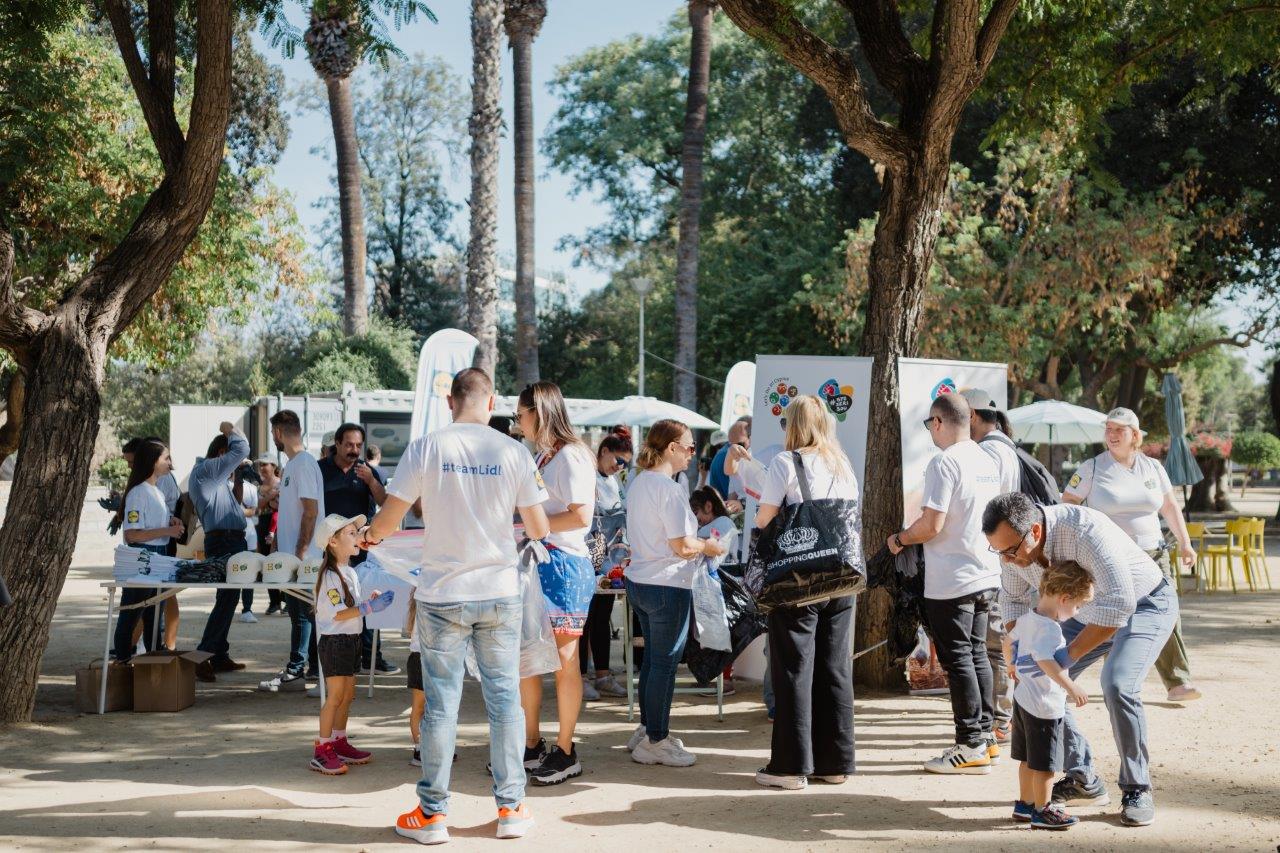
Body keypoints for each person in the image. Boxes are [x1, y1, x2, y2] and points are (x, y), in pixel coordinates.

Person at [359, 367, 549, 843]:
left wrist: (370, 537)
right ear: (492, 402)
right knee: (504, 701)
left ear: (450, 401)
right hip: (500, 590)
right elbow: (541, 527)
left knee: (441, 705)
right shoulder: (513, 451)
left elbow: (391, 515)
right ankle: (511, 809)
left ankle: (432, 815)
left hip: (443, 594)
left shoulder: (427, 446)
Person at [983, 492, 1178, 827]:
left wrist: (1063, 660)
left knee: (1117, 685)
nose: (1006, 560)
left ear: (1036, 531)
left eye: (1011, 550)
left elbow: (1119, 603)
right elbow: (1013, 603)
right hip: (1085, 611)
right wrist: (1019, 655)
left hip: (1145, 603)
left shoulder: (1083, 531)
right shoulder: (1013, 555)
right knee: (1040, 686)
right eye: (997, 551)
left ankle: (1137, 787)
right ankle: (1083, 776)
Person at [888, 392, 1002, 775]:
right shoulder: (987, 459)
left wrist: (899, 539)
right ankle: (984, 737)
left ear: (938, 422)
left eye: (929, 425)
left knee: (959, 662)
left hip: (952, 579)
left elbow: (931, 525)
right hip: (986, 571)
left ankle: (969, 742)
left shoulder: (944, 462)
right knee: (976, 656)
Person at [751, 396, 860, 790]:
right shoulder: (841, 463)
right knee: (834, 667)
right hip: (842, 578)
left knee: (793, 668)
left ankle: (791, 766)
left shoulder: (785, 463)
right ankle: (835, 763)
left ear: (793, 424)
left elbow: (764, 519)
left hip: (799, 579)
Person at [1063, 407, 1201, 702]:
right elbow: (1069, 502)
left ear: (1134, 435)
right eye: (1108, 429)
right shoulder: (1092, 467)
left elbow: (1169, 507)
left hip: (1153, 553)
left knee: (1165, 612)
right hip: (1110, 557)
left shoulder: (1152, 467)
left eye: (1119, 430)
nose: (1112, 435)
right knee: (1107, 613)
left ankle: (1178, 682)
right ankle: (1072, 676)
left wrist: (1186, 543)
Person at [623, 418, 726, 768]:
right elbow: (682, 545)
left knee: (654, 661)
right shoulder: (666, 488)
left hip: (642, 580)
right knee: (663, 663)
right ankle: (656, 738)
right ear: (672, 448)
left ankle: (649, 729)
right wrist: (710, 547)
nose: (692, 455)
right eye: (690, 447)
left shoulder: (640, 483)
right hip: (666, 584)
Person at [514, 381, 598, 785]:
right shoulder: (544, 456)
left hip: (564, 566)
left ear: (539, 411)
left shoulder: (573, 456)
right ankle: (532, 743)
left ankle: (565, 750)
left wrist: (536, 527)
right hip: (537, 564)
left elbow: (582, 517)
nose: (517, 422)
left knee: (565, 664)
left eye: (520, 414)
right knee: (528, 657)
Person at [1006, 561, 1093, 830]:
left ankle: (1025, 804)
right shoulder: (1051, 629)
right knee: (1045, 764)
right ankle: (1043, 811)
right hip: (1043, 706)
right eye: (1077, 606)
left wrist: (1012, 664)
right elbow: (1045, 660)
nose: (1077, 612)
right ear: (1064, 598)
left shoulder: (1026, 619)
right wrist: (1071, 686)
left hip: (1022, 700)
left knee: (1026, 759)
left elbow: (1007, 641)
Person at [308, 512, 395, 775]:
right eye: (350, 533)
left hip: (351, 640)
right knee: (335, 697)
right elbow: (339, 613)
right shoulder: (330, 576)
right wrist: (369, 607)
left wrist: (368, 601)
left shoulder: (349, 572)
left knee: (347, 695)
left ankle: (339, 740)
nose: (358, 537)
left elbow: (351, 606)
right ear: (332, 542)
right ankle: (322, 750)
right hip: (335, 642)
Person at [959, 388, 1018, 745]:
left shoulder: (989, 452)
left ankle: (1000, 719)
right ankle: (1000, 717)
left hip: (993, 557)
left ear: (972, 417)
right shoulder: (1005, 448)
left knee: (992, 643)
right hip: (1002, 555)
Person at [319, 422, 398, 675]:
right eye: (349, 445)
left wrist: (372, 482)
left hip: (362, 549)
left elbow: (385, 504)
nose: (354, 450)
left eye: (358, 446)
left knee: (367, 599)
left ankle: (372, 658)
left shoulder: (366, 472)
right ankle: (320, 663)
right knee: (332, 605)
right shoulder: (320, 470)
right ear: (338, 444)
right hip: (330, 550)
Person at [259, 410, 324, 693]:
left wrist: (300, 550)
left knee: (307, 614)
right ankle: (303, 670)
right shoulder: (293, 465)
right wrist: (278, 546)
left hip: (304, 559)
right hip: (292, 558)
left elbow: (311, 511)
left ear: (278, 434)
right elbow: (294, 512)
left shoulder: (304, 464)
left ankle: (308, 671)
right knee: (300, 614)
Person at [190, 422, 251, 682]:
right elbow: (242, 447)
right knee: (226, 600)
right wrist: (230, 429)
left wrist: (238, 476)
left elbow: (234, 505)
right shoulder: (206, 471)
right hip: (224, 541)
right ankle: (203, 654)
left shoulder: (217, 480)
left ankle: (218, 654)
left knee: (228, 599)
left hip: (231, 541)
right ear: (221, 454)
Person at [113, 440, 184, 661]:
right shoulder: (138, 493)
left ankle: (154, 667)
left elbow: (151, 525)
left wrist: (169, 521)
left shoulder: (156, 492)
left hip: (159, 557)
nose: (170, 463)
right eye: (166, 458)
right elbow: (132, 534)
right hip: (142, 559)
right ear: (153, 462)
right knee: (132, 614)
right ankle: (123, 663)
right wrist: (166, 530)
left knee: (155, 617)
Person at [580, 428, 632, 701]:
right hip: (589, 551)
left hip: (611, 555)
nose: (619, 466)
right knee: (584, 618)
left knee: (602, 614)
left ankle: (602, 674)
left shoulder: (616, 481)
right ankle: (581, 677)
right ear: (603, 452)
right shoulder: (587, 477)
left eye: (625, 463)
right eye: (617, 460)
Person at [253, 456, 285, 615]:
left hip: (279, 523)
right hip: (263, 523)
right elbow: (256, 506)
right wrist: (269, 498)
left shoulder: (281, 482)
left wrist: (270, 501)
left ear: (273, 466)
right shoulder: (258, 485)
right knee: (266, 562)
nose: (262, 467)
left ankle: (287, 598)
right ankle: (274, 601)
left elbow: (284, 504)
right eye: (260, 464)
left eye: (265, 464)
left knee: (282, 559)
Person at [709, 417, 751, 513]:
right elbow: (731, 498)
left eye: (740, 444)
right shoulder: (728, 457)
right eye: (730, 444)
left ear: (751, 438)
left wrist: (741, 504)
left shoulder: (758, 457)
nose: (735, 448)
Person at [237, 470, 261, 623]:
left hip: (249, 534)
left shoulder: (251, 488)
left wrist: (235, 511)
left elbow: (252, 511)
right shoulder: (222, 484)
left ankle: (247, 608)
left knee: (249, 573)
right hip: (228, 533)